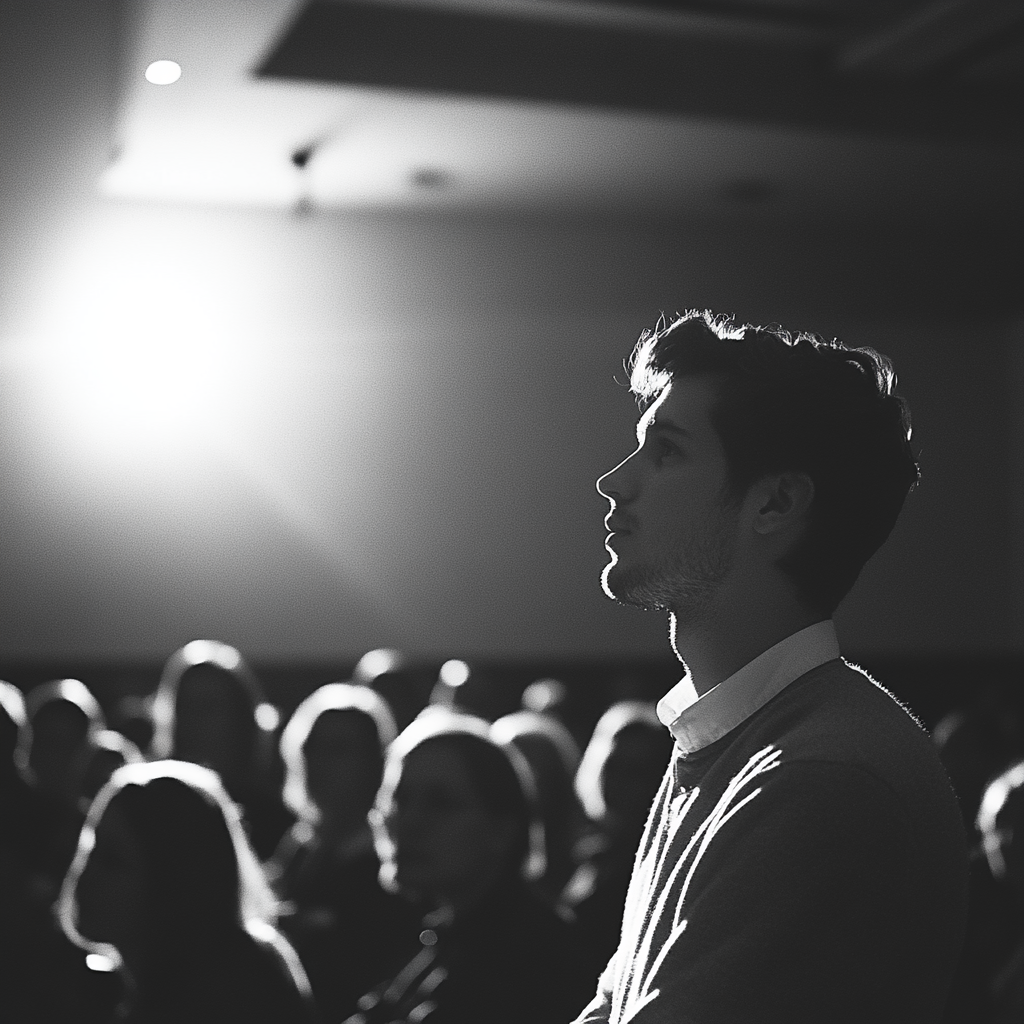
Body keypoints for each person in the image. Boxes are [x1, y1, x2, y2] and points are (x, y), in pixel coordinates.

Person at [575, 310, 969, 1023]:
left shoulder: (820, 776)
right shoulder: (736, 737)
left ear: (776, 503)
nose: (613, 482)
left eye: (665, 452)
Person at [346, 709, 590, 1024]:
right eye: (400, 799)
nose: (408, 822)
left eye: (440, 803)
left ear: (501, 829)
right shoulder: (446, 933)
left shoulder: (533, 961)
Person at [58, 759, 315, 1023]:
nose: (87, 874)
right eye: (90, 848)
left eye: (112, 861)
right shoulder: (113, 986)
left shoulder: (228, 996)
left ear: (173, 882)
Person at [271, 682, 418, 1020]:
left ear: (374, 762)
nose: (319, 762)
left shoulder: (392, 858)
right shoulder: (299, 846)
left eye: (338, 750)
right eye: (313, 747)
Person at [561, 702, 673, 979]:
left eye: (636, 771)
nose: (619, 782)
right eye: (613, 765)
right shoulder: (593, 854)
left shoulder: (656, 864)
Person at [150, 640, 291, 858]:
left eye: (209, 706)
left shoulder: (274, 818)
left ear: (240, 716)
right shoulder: (153, 805)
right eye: (186, 706)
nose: (195, 720)